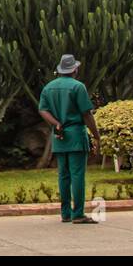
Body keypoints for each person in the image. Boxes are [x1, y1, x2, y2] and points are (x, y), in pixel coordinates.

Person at [38, 54, 101, 224]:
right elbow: (86, 113)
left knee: (63, 175)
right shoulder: (77, 87)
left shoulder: (49, 87)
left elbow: (42, 110)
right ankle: (78, 213)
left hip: (59, 136)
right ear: (75, 69)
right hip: (76, 134)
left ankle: (65, 213)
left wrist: (56, 123)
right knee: (77, 175)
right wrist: (96, 135)